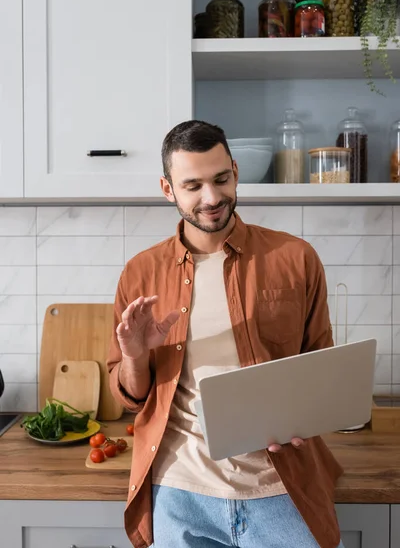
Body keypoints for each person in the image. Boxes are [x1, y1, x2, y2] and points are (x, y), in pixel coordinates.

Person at [107, 120, 346, 548]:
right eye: (193, 185)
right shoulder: (140, 272)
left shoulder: (295, 258)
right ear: (168, 189)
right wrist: (134, 356)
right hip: (181, 488)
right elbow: (131, 397)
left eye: (221, 179)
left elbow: (320, 368)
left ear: (235, 171)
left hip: (281, 486)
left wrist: (306, 417)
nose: (212, 198)